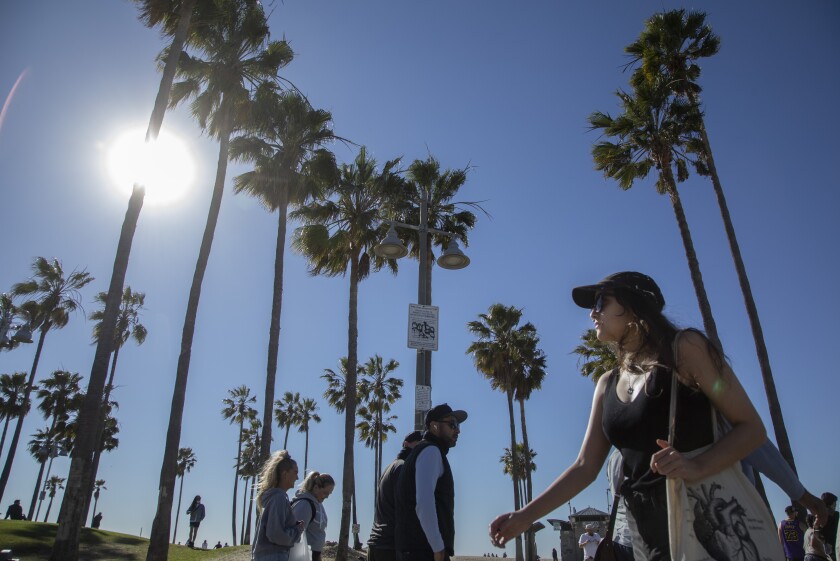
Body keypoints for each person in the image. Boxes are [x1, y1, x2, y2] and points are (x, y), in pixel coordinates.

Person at [489, 272, 769, 561]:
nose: (592, 313)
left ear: (634, 305)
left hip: (704, 530)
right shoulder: (606, 383)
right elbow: (585, 466)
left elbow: (751, 428)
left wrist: (696, 465)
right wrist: (524, 517)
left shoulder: (685, 349)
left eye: (601, 302)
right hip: (646, 539)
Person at [395, 403, 468, 561]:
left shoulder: (424, 451)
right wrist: (438, 547)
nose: (458, 430)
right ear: (434, 426)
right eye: (452, 424)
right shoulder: (431, 451)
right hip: (424, 551)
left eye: (457, 425)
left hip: (417, 549)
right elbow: (424, 502)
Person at [368, 430, 423, 561]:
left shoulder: (390, 467)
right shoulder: (402, 468)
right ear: (406, 444)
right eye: (419, 445)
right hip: (390, 546)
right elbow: (406, 508)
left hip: (378, 543)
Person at [252, 450, 305, 561]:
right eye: (295, 472)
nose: (297, 477)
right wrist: (297, 530)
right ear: (285, 474)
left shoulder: (275, 497)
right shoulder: (278, 498)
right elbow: (276, 534)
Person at [292, 471, 336, 561]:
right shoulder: (304, 504)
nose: (327, 497)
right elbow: (295, 536)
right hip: (303, 555)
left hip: (314, 555)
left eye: (329, 494)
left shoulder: (318, 505)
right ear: (316, 488)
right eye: (325, 493)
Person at [821, 493, 838, 561]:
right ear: (831, 503)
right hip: (836, 547)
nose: (836, 505)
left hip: (826, 550)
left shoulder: (818, 516)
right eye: (835, 503)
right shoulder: (836, 515)